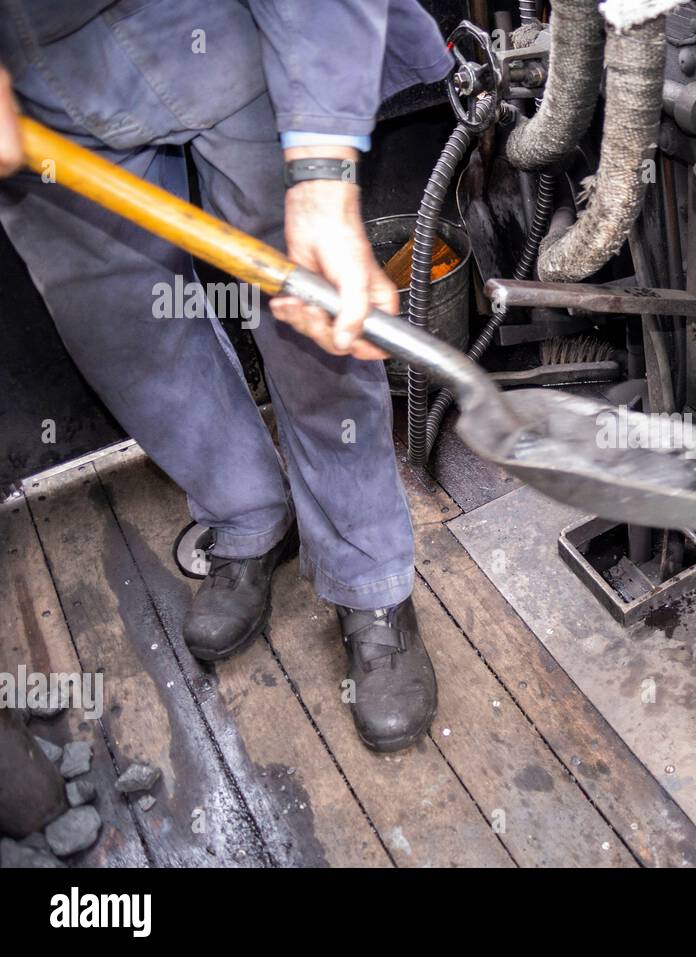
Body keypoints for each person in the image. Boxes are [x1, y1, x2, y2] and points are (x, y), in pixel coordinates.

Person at [0, 0, 453, 753]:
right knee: (123, 326)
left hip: (220, 26)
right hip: (35, 75)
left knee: (312, 318)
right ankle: (247, 514)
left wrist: (320, 171)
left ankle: (368, 576)